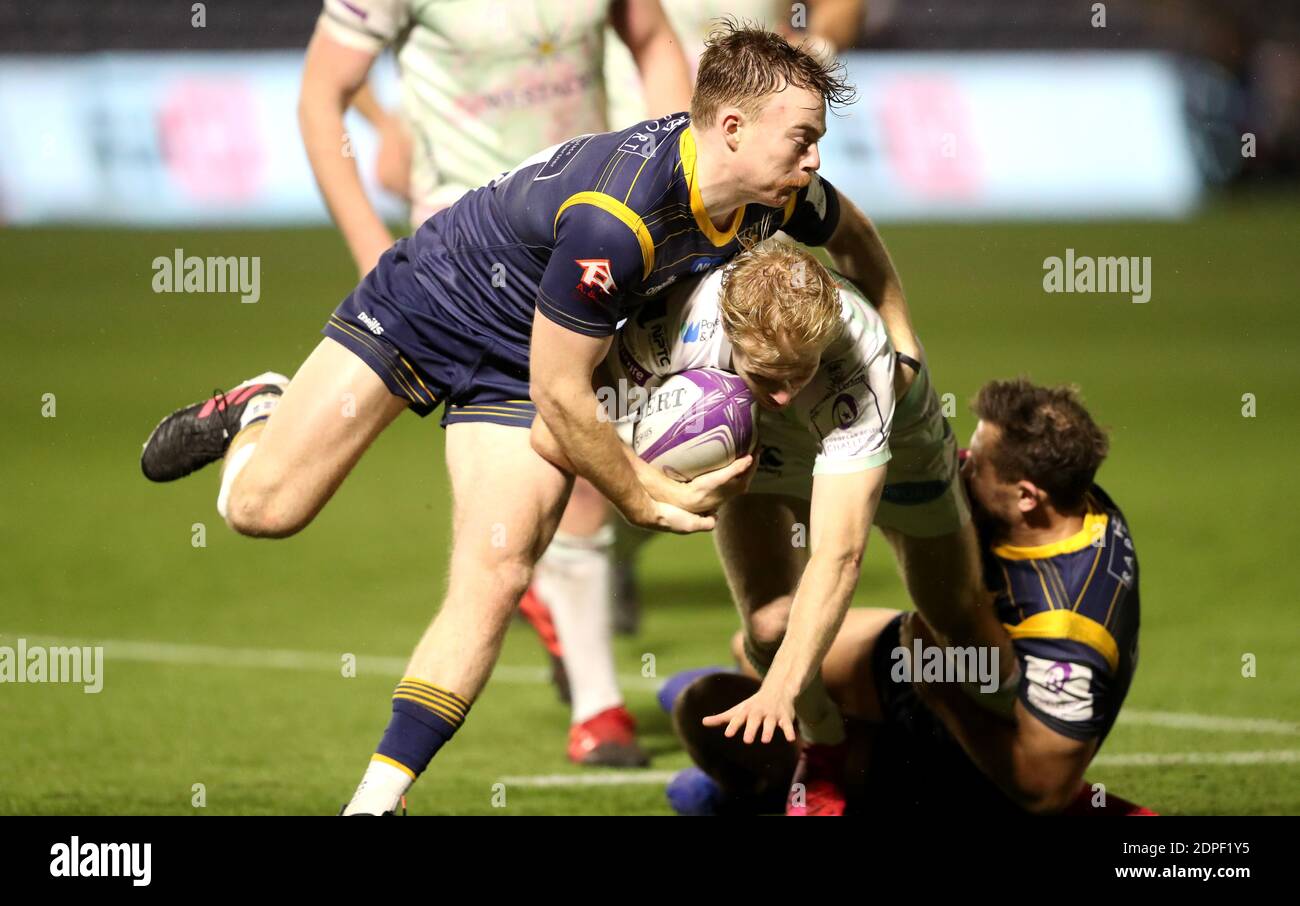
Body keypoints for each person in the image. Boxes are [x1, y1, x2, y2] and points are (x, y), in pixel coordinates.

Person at [139, 24, 917, 816]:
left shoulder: (769, 196)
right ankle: (261, 409)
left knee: (499, 571)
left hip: (532, 359)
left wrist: (902, 335)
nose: (815, 158)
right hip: (433, 300)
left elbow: (852, 234)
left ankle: (376, 802)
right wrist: (641, 494)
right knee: (262, 511)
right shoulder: (620, 219)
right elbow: (563, 399)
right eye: (803, 139)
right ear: (731, 130)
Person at [299, 0, 694, 767]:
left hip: (590, 218)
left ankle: (598, 704)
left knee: (578, 444)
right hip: (464, 240)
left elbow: (650, 38)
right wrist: (371, 250)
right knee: (563, 447)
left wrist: (677, 175)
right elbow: (321, 94)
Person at [663, 379, 1149, 816]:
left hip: (959, 729)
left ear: (1026, 497)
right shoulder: (1066, 499)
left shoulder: (1070, 638)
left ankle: (769, 792)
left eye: (976, 465)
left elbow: (1043, 790)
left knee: (709, 716)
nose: (961, 466)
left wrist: (943, 695)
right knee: (760, 650)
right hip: (933, 654)